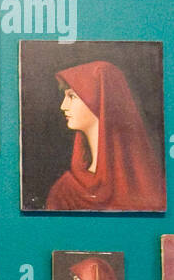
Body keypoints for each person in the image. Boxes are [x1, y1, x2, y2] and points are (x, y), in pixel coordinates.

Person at [47, 61, 166, 211]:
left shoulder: (151, 187)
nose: (63, 106)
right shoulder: (64, 191)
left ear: (101, 100)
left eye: (72, 96)